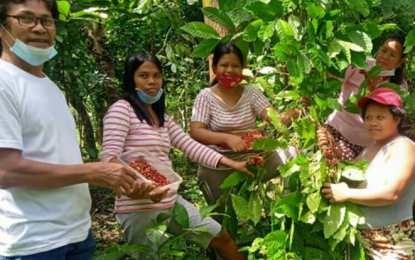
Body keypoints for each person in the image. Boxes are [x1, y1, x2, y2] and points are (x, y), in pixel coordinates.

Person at [0, 0, 156, 259]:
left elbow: (56, 158)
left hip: (76, 234)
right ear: (2, 27)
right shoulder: (4, 82)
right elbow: (5, 170)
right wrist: (94, 172)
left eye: (46, 21)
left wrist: (119, 177)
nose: (39, 28)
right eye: (26, 18)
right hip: (33, 243)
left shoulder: (47, 84)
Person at [100, 51, 253, 260]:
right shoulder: (122, 110)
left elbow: (190, 146)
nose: (151, 82)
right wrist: (140, 183)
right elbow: (109, 157)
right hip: (137, 204)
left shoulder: (161, 117)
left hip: (170, 199)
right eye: (143, 76)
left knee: (220, 237)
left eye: (156, 76)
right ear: (131, 79)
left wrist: (233, 164)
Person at [190, 43, 300, 219]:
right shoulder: (205, 96)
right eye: (224, 65)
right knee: (222, 216)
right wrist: (227, 138)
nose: (230, 70)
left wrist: (296, 111)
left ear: (243, 68)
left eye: (235, 65)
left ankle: (287, 213)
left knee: (292, 154)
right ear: (214, 68)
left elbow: (277, 120)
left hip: (254, 160)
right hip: (220, 164)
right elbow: (196, 132)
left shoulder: (251, 93)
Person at [322, 88, 415, 259]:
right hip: (363, 240)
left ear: (396, 119)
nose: (372, 123)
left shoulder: (403, 147)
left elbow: (392, 193)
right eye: (368, 118)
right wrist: (328, 147)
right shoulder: (370, 147)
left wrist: (347, 194)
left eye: (380, 117)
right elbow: (346, 176)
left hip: (394, 240)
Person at [318, 35, 408, 161]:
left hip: (359, 146)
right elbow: (331, 78)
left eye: (393, 55)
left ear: (401, 61)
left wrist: (373, 91)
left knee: (333, 173)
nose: (385, 56)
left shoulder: (399, 88)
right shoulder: (361, 64)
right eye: (384, 50)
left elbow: (384, 118)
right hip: (333, 128)